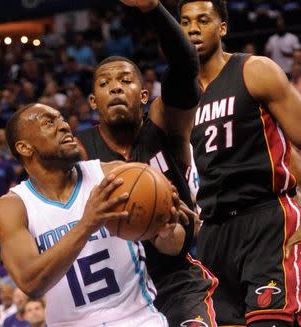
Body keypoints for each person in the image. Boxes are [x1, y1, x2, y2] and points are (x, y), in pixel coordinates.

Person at [177, 1, 301, 326]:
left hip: (267, 221)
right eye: (185, 22)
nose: (193, 28)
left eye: (203, 20)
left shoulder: (253, 71)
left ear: (222, 27)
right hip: (214, 232)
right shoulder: (179, 100)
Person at [77, 1, 217, 326]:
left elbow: (185, 65)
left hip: (175, 278)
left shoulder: (164, 122)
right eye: (104, 83)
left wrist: (153, 8)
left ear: (143, 94)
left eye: (125, 81)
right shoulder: (80, 150)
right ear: (93, 102)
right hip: (118, 291)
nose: (115, 87)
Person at [0, 102, 183, 326]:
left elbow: (172, 246)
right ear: (25, 148)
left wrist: (168, 231)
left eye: (62, 119)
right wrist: (86, 224)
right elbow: (30, 282)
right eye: (48, 122)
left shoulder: (113, 175)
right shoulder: (13, 206)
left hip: (138, 319)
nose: (64, 126)